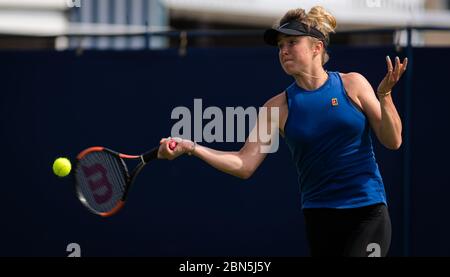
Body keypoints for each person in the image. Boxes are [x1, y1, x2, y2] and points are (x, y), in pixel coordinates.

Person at [157, 6, 407, 257]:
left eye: (291, 42)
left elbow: (393, 140)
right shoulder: (276, 108)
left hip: (367, 212)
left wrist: (384, 95)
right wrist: (192, 148)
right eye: (280, 46)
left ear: (316, 47)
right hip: (320, 218)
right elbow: (244, 164)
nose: (283, 50)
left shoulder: (353, 84)